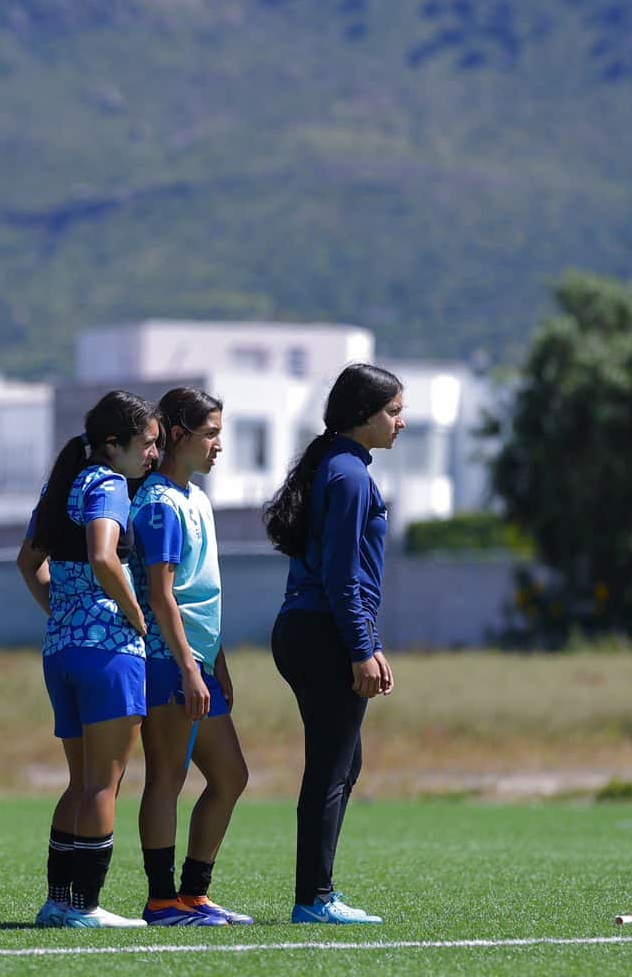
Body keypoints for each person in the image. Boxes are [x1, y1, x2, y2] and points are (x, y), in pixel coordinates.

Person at [264, 363, 404, 925]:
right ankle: (314, 899)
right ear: (363, 416)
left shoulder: (339, 465)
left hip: (309, 629)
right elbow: (343, 578)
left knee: (344, 765)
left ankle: (318, 894)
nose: (401, 422)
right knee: (329, 769)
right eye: (393, 412)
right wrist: (362, 647)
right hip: (322, 632)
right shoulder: (348, 476)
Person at [15, 390, 159, 928]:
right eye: (145, 444)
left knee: (80, 782)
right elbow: (104, 555)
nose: (151, 454)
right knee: (105, 783)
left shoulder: (62, 484)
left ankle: (59, 902)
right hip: (108, 652)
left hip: (61, 648)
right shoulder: (110, 484)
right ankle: (85, 907)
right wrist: (135, 616)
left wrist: (62, 609)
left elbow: (27, 562)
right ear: (112, 444)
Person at [131, 387, 252, 926]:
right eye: (211, 434)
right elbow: (161, 596)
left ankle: (194, 894)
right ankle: (162, 901)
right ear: (178, 435)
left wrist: (216, 661)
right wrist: (186, 665)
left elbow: (203, 593)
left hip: (198, 662)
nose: (218, 446)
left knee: (230, 777)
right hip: (167, 661)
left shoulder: (196, 498)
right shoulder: (157, 504)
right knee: (167, 778)